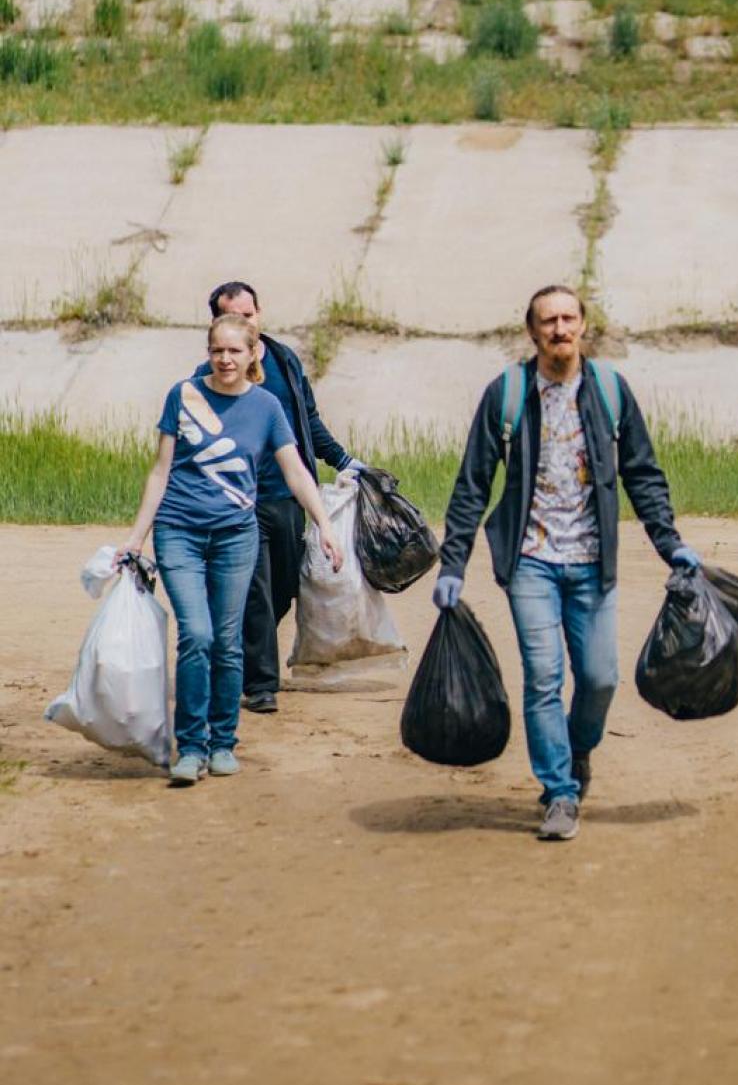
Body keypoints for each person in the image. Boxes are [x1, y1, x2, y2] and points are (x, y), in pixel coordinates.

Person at [432, 285, 701, 842]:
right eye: (548, 321)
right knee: (544, 677)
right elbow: (472, 484)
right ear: (532, 333)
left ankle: (578, 754)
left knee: (600, 679)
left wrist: (670, 543)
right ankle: (558, 792)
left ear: (584, 326)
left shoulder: (608, 391)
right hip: (530, 560)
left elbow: (643, 475)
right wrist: (452, 563)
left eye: (568, 318)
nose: (559, 329)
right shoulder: (508, 393)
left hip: (592, 563)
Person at [119, 313, 343, 785]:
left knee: (227, 641)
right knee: (196, 635)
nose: (224, 359)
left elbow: (296, 470)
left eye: (234, 350)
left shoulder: (265, 407)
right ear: (208, 352)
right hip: (178, 531)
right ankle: (191, 747)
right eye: (217, 350)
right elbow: (160, 472)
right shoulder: (183, 396)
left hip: (234, 537)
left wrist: (324, 524)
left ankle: (223, 742)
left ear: (252, 354)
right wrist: (135, 538)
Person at [201, 282, 365, 714]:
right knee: (254, 588)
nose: (243, 324)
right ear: (216, 324)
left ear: (259, 315)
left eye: (249, 314)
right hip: (241, 503)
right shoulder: (212, 379)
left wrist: (343, 460)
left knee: (286, 587)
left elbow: (306, 420)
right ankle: (260, 685)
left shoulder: (285, 360)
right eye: (230, 316)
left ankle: (232, 650)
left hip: (288, 497)